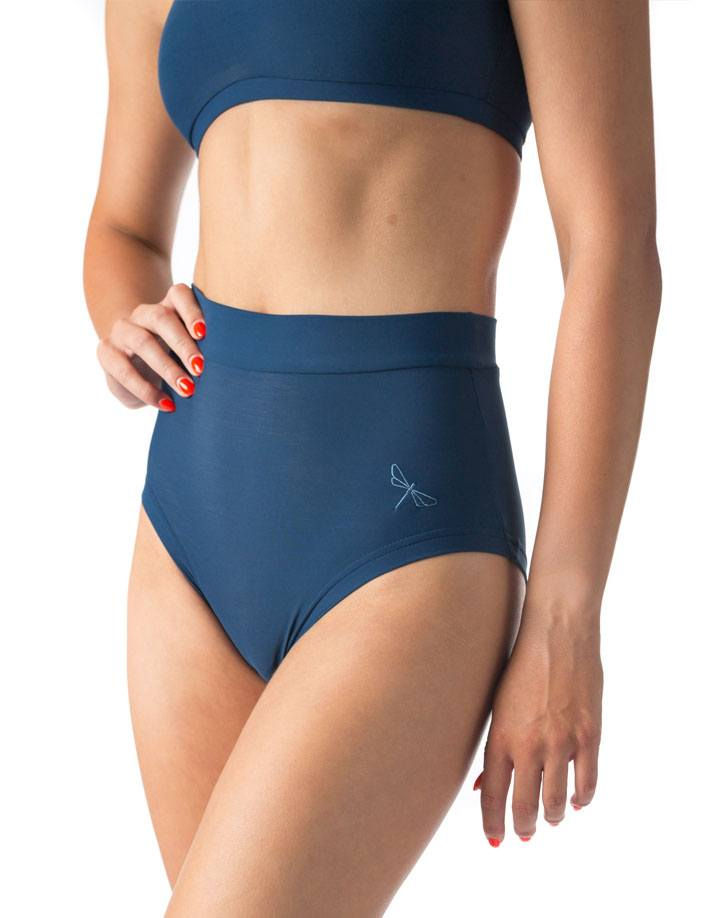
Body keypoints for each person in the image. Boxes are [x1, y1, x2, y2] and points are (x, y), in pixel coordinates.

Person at [83, 1, 661, 913]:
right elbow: (125, 226)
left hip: (402, 523)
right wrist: (127, 322)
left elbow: (613, 250)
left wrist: (566, 615)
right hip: (188, 528)